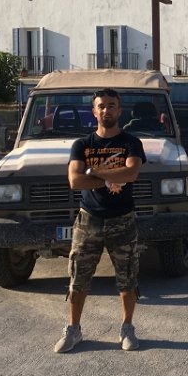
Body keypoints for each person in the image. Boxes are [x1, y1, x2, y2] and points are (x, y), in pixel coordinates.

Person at [55, 88, 146, 353]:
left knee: (127, 277)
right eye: (101, 106)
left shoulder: (131, 142)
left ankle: (127, 328)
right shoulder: (82, 145)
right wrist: (109, 178)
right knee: (78, 277)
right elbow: (75, 181)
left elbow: (132, 173)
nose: (106, 110)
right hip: (89, 220)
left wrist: (94, 171)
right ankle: (73, 329)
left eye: (111, 105)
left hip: (122, 220)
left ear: (120, 110)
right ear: (94, 111)